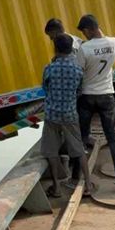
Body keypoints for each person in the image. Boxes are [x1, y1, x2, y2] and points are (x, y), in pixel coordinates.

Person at [76, 14, 115, 193]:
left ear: (88, 30)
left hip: (87, 96)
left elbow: (80, 72)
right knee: (112, 140)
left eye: (84, 32)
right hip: (107, 95)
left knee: (82, 139)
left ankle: (77, 180)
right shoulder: (114, 43)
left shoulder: (84, 49)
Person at [40, 35, 89, 197]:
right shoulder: (77, 70)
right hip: (70, 115)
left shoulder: (49, 68)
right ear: (71, 49)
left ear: (55, 49)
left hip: (52, 115)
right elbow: (79, 92)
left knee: (51, 151)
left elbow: (45, 89)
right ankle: (88, 184)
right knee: (79, 149)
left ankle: (56, 188)